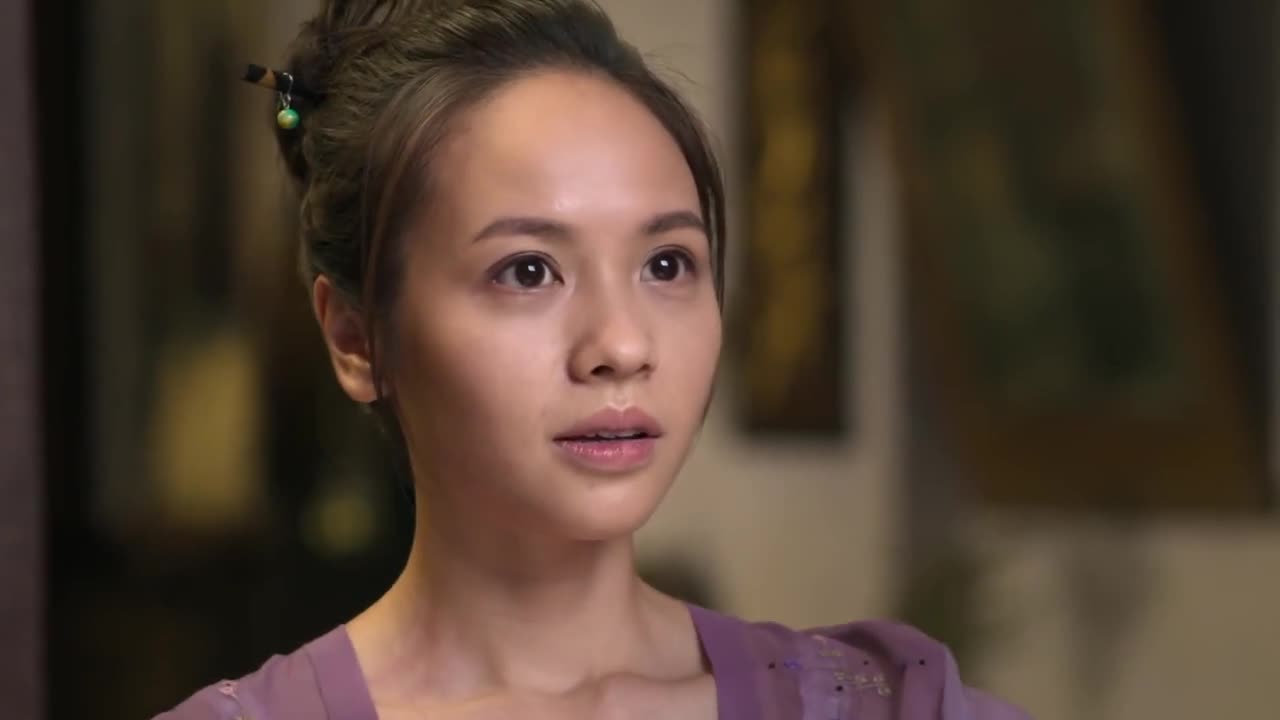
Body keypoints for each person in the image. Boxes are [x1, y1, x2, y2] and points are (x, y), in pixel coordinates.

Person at [158, 1, 1029, 718]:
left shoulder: (888, 706)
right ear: (357, 337)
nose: (621, 345)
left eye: (667, 264)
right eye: (528, 271)